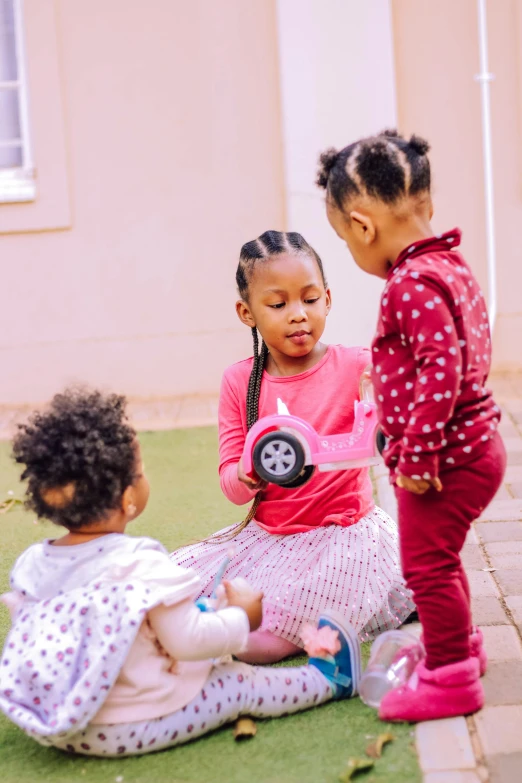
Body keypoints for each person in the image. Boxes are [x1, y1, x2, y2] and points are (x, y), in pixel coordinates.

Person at [0, 388, 361, 757]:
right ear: (128, 497)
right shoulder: (139, 564)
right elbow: (188, 642)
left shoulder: (33, 563)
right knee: (237, 684)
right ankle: (328, 680)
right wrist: (241, 618)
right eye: (139, 472)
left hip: (60, 720)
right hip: (127, 724)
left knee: (193, 626)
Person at [316, 129, 506, 722]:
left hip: (447, 459)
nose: (352, 250)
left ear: (362, 225)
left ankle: (450, 679)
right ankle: (461, 647)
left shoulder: (411, 283)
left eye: (344, 239)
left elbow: (442, 368)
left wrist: (418, 456)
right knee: (440, 559)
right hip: (475, 446)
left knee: (425, 566)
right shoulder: (448, 266)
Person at [173, 230, 415, 664]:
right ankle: (196, 627)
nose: (298, 315)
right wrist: (248, 474)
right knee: (175, 584)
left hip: (343, 538)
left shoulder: (357, 365)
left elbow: (398, 413)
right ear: (247, 313)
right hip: (271, 540)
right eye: (279, 304)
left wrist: (389, 390)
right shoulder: (240, 381)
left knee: (282, 625)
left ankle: (229, 643)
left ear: (327, 298)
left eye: (309, 299)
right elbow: (231, 481)